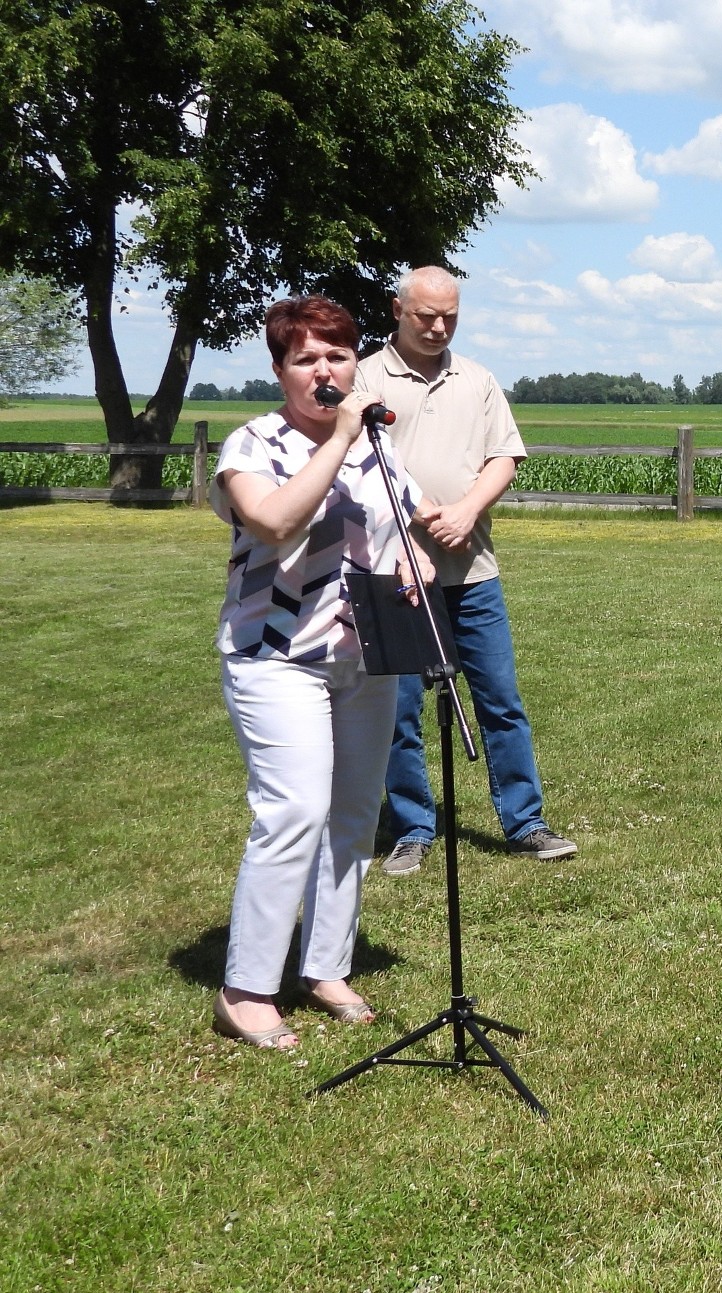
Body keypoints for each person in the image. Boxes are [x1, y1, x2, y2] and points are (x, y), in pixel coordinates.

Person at [208, 294, 432, 1048]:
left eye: (338, 354)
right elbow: (274, 522)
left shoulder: (376, 445)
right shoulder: (252, 445)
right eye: (307, 358)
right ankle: (244, 990)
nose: (326, 369)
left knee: (353, 815)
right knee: (294, 810)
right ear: (280, 370)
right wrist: (338, 440)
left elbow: (399, 524)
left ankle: (327, 966)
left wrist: (415, 561)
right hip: (277, 659)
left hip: (365, 658)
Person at [356, 266, 577, 876]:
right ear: (396, 309)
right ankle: (411, 828)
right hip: (392, 573)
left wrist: (467, 509)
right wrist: (424, 513)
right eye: (426, 315)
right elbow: (355, 461)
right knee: (398, 712)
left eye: (449, 315)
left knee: (500, 702)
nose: (438, 326)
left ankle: (526, 822)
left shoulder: (476, 379)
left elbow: (504, 455)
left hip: (473, 571)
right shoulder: (365, 378)